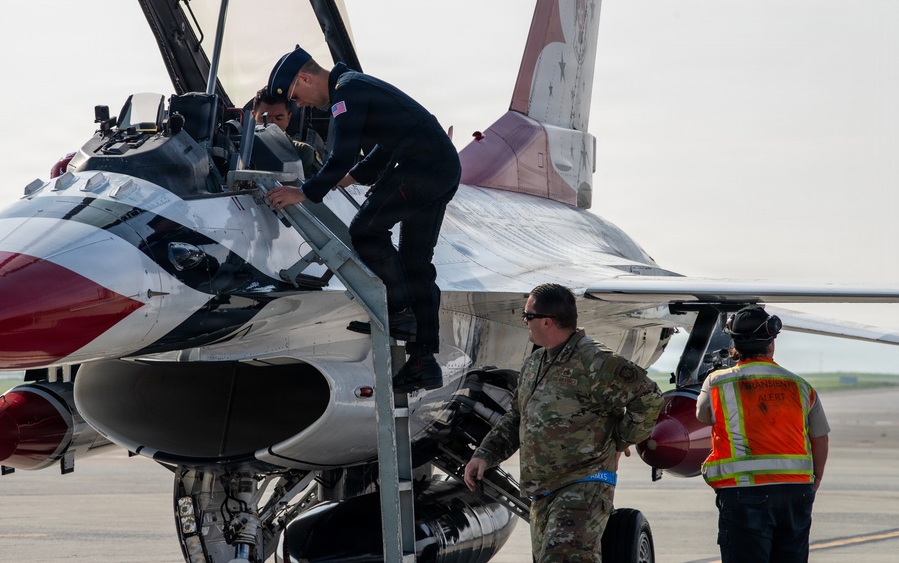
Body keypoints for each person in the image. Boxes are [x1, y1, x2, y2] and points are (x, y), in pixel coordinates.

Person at [263, 46, 461, 393]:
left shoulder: (347, 94)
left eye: (298, 95)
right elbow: (389, 143)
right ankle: (423, 363)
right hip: (440, 169)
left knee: (366, 230)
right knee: (416, 263)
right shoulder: (357, 86)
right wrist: (352, 177)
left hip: (422, 171)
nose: (302, 105)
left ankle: (399, 311)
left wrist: (306, 192)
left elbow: (340, 154)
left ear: (306, 78)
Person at [462, 283, 663, 562]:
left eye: (527, 315)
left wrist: (621, 438)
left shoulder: (595, 361)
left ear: (547, 321)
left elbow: (649, 397)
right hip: (542, 491)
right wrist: (484, 455)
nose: (524, 321)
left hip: (583, 484)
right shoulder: (535, 363)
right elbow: (517, 417)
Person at [695, 305, 830, 563]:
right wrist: (815, 479)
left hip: (744, 492)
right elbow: (820, 437)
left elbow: (703, 416)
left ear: (734, 341)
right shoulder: (800, 386)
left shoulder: (717, 382)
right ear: (771, 342)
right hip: (796, 492)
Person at [251, 86, 322, 179]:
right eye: (265, 117)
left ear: (288, 119)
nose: (272, 123)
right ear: (253, 116)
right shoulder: (241, 150)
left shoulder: (303, 153)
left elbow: (314, 188)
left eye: (279, 118)